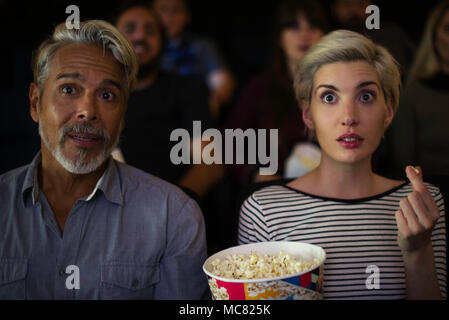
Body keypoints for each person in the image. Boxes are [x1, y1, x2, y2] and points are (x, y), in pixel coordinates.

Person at [0, 20, 209, 299]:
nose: (88, 111)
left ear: (122, 118)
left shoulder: (174, 215)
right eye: (68, 89)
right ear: (35, 103)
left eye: (107, 95)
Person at [238, 30, 446, 299]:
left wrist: (418, 251)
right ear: (307, 115)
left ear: (389, 111)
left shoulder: (422, 203)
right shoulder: (263, 211)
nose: (349, 117)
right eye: (329, 97)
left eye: (366, 96)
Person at [113, 2, 224, 200]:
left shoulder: (189, 89)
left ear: (163, 41)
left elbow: (210, 164)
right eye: (130, 29)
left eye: (150, 31)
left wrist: (170, 208)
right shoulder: (96, 96)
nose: (140, 37)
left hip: (177, 212)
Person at [226, 0, 328, 185]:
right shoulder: (259, 88)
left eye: (312, 26)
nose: (305, 34)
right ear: (280, 37)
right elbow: (231, 144)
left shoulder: (341, 89)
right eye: (294, 27)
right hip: (272, 194)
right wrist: (255, 175)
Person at [389, 0, 449, 178]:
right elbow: (403, 163)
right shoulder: (413, 94)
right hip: (434, 196)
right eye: (448, 29)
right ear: (434, 35)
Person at [153, 0, 235, 118]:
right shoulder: (146, 47)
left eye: (176, 10)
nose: (169, 16)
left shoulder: (202, 46)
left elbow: (222, 82)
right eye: (163, 9)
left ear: (187, 16)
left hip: (194, 111)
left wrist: (214, 98)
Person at [330, 0, 416, 78]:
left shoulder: (391, 34)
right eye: (347, 4)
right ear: (334, 8)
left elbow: (420, 65)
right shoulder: (329, 41)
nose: (354, 9)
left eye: (361, 4)